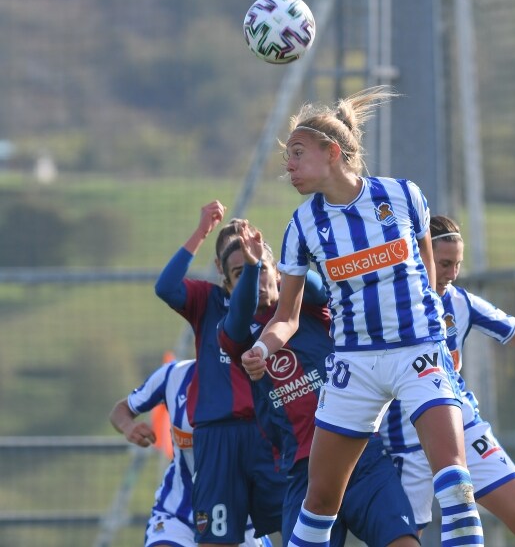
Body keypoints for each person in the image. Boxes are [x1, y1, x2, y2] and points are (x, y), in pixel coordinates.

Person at [240, 86, 483, 547]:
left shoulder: (403, 196)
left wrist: (437, 342)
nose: (287, 165)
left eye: (297, 153)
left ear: (332, 152)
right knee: (320, 500)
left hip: (417, 351)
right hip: (354, 363)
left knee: (454, 482)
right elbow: (287, 317)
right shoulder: (302, 225)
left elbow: (429, 280)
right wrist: (261, 348)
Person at [380, 215, 515, 546]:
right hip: (408, 443)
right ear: (421, 256)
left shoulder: (462, 302)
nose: (451, 273)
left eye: (457, 264)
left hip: (462, 428)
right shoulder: (387, 304)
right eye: (444, 263)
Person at [218, 221, 419, 546]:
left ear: (280, 273)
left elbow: (311, 283)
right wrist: (254, 266)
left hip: (360, 451)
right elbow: (238, 316)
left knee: (403, 542)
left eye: (264, 269)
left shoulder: (310, 308)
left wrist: (291, 267)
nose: (256, 280)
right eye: (240, 275)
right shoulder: (236, 334)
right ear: (229, 287)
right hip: (304, 469)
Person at [154, 201, 284, 547]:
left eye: (256, 267)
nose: (252, 280)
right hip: (218, 437)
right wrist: (201, 232)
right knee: (217, 538)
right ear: (222, 273)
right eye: (240, 272)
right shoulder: (208, 301)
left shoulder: (285, 311)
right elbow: (165, 287)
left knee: (300, 522)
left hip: (269, 433)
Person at [109, 357, 271, 547]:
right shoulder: (173, 375)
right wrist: (129, 427)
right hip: (177, 515)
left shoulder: (257, 378)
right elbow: (120, 410)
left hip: (240, 523)